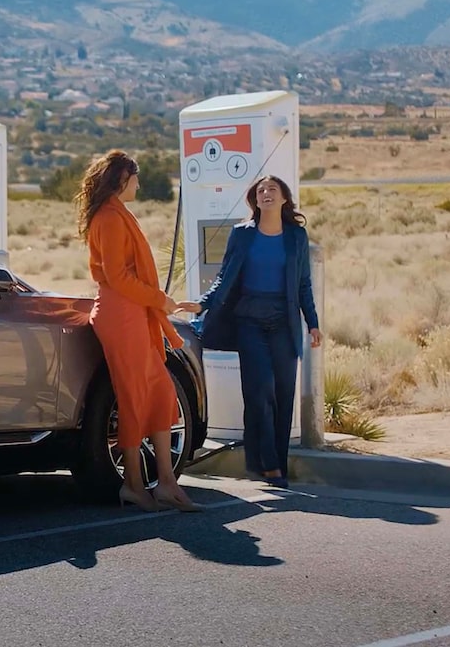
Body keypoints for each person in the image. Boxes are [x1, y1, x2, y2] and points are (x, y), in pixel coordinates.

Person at [78, 150, 202, 513]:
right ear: (122, 179)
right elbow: (117, 278)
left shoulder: (117, 214)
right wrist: (159, 299)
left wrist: (156, 302)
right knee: (133, 397)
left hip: (133, 312)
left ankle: (166, 482)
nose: (139, 184)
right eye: (135, 177)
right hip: (122, 315)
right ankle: (133, 484)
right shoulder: (110, 217)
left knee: (161, 393)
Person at [192, 175, 322, 489]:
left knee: (282, 393)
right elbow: (225, 276)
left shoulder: (296, 237)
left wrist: (313, 322)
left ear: (284, 199)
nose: (265, 193)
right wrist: (202, 304)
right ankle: (268, 466)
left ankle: (275, 462)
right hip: (248, 319)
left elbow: (303, 283)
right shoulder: (241, 234)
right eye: (260, 190)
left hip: (283, 321)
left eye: (271, 190)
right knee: (260, 390)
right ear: (256, 199)